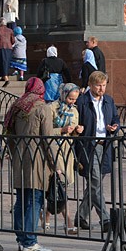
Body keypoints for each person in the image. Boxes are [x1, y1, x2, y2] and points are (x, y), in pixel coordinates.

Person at [3, 77, 56, 251]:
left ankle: (21, 239)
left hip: (19, 157)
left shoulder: (17, 106)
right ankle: (30, 241)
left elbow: (8, 135)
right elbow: (47, 139)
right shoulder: (42, 107)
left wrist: (14, 152)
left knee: (22, 200)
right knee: (35, 200)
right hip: (37, 159)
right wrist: (55, 163)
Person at [74, 71, 120, 233]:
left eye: (104, 85)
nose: (101, 88)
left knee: (95, 184)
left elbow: (115, 118)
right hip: (88, 146)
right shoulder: (82, 101)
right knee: (95, 182)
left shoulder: (108, 100)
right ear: (91, 85)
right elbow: (75, 121)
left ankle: (80, 216)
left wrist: (114, 128)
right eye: (98, 85)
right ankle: (106, 219)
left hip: (104, 146)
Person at [45, 83, 83, 234]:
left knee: (60, 187)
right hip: (54, 149)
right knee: (59, 184)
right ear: (63, 94)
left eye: (74, 99)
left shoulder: (74, 110)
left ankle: (47, 215)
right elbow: (46, 131)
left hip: (67, 150)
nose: (71, 102)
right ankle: (68, 222)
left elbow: (73, 133)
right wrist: (61, 130)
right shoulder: (52, 108)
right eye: (69, 98)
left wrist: (78, 130)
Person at [0, 17, 15, 85]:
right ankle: (3, 76)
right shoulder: (10, 30)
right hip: (9, 48)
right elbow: (13, 41)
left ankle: (5, 77)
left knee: (1, 62)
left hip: (0, 47)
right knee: (6, 62)